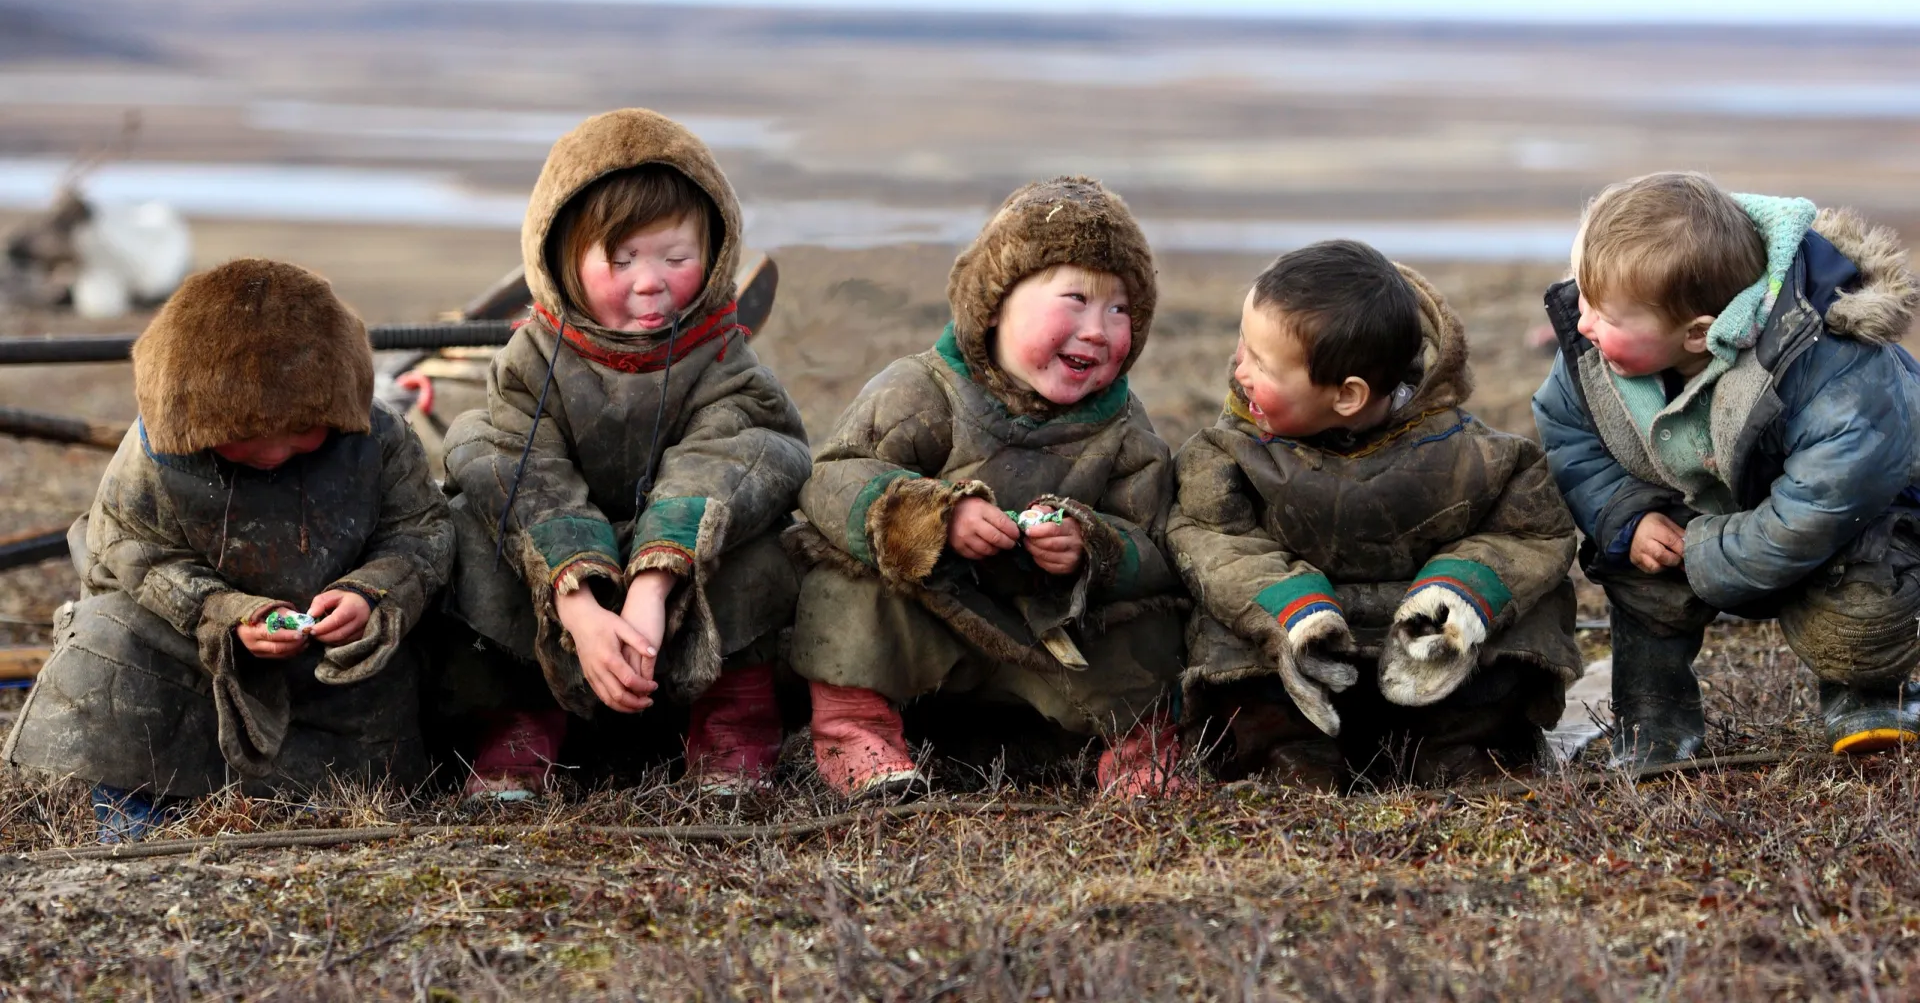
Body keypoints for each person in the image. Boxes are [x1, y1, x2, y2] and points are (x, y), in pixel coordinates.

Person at [4, 258, 452, 841]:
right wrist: (228, 615)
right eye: (243, 438)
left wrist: (370, 594)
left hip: (335, 664)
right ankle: (138, 803)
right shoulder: (155, 452)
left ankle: (314, 796)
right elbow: (132, 551)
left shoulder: (380, 439)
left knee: (423, 654)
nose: (271, 453)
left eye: (298, 432)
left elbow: (422, 530)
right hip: (193, 658)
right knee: (107, 630)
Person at [439, 109, 811, 798]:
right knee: (469, 525)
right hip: (568, 576)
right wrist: (577, 602)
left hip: (674, 579)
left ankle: (732, 720)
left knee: (763, 539)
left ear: (717, 251)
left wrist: (652, 582)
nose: (652, 281)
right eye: (621, 259)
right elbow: (517, 466)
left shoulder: (724, 356)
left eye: (676, 258)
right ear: (560, 262)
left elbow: (731, 459)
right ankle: (522, 723)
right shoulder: (529, 358)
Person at [784, 176, 1187, 801]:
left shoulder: (1125, 427)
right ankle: (853, 727)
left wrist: (1092, 545)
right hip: (929, 616)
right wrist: (932, 518)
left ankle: (1139, 752)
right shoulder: (921, 389)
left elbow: (1156, 541)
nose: (1098, 329)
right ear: (995, 304)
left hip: (1047, 630)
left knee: (1150, 627)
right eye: (1075, 299)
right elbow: (834, 478)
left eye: (1120, 310)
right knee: (844, 582)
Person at [1535, 172, 1920, 765]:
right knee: (1640, 566)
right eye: (1583, 296)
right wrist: (1627, 516)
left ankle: (1871, 693)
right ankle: (1653, 715)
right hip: (1714, 513)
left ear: (1697, 333)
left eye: (1605, 316)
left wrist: (1707, 548)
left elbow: (1823, 505)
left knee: (1868, 584)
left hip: (1851, 523)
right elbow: (1570, 436)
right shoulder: (1591, 360)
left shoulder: (1837, 367)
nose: (1582, 321)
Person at [1172, 240, 1579, 788]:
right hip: (1298, 663)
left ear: (1347, 396)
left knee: (1524, 611)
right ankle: (1287, 756)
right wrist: (1286, 607)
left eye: (1260, 362)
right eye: (1242, 343)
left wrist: (1458, 595)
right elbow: (1208, 536)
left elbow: (1532, 530)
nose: (1237, 368)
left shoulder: (1475, 456)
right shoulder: (1227, 453)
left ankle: (1462, 751)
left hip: (1426, 666)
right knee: (1221, 624)